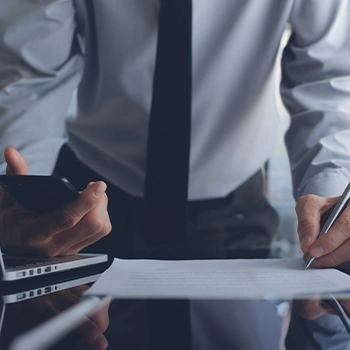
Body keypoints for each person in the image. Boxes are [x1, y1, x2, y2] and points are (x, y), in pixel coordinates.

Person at [0, 0, 349, 349]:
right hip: (91, 206)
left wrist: (332, 201)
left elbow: (325, 75)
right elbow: (32, 74)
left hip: (232, 210)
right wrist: (18, 194)